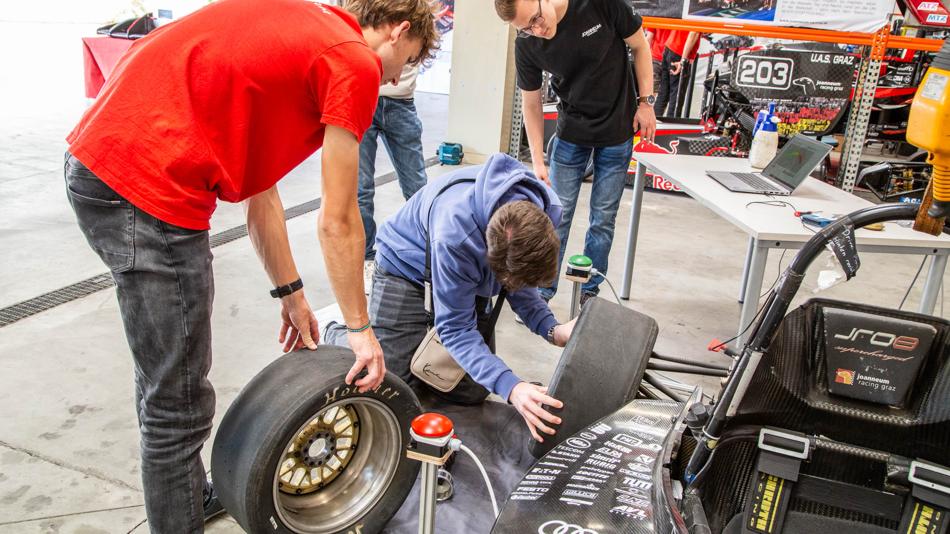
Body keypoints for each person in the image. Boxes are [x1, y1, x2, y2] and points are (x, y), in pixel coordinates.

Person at [63, 0, 437, 531]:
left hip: (103, 161)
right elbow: (339, 220)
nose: (397, 78)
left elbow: (261, 194)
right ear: (399, 30)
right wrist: (360, 330)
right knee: (177, 405)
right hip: (146, 186)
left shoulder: (306, 31)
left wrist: (292, 293)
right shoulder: (353, 60)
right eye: (409, 60)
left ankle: (183, 492)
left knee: (167, 376)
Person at [326, 153, 577, 442]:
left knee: (471, 391)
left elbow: (520, 282)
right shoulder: (456, 233)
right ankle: (344, 336)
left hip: (464, 270)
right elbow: (456, 329)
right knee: (386, 383)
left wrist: (553, 330)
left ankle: (403, 344)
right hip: (406, 265)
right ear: (490, 255)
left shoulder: (544, 213)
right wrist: (513, 387)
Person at [494, 0, 657, 304]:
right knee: (556, 215)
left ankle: (589, 293)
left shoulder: (599, 4)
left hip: (617, 130)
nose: (537, 30)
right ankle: (542, 292)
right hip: (571, 132)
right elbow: (531, 103)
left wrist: (646, 103)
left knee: (603, 219)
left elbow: (640, 46)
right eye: (526, 28)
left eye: (536, 19)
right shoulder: (526, 43)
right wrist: (538, 160)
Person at [358, 64, 429, 292]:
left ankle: (425, 255)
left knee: (418, 189)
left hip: (402, 101)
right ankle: (366, 259)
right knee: (361, 189)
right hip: (362, 99)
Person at [655, 30, 699, 117]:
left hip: (669, 47)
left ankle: (653, 123)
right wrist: (683, 60)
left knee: (663, 94)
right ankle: (670, 125)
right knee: (676, 98)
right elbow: (694, 33)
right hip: (679, 52)